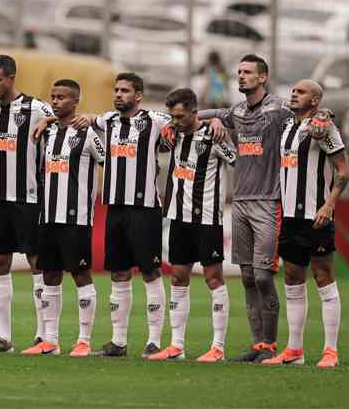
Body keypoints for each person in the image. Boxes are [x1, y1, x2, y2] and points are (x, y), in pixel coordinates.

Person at [199, 54, 330, 362]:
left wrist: (325, 115)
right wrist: (215, 119)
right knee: (245, 276)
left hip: (269, 202)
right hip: (240, 201)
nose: (241, 77)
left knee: (262, 276)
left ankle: (271, 343)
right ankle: (258, 344)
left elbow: (315, 110)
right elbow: (200, 113)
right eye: (239, 72)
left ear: (263, 77)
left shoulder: (280, 108)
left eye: (247, 72)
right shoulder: (237, 110)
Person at [261, 80, 349, 368]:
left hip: (316, 215)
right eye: (294, 91)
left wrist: (329, 204)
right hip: (289, 217)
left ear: (314, 101)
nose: (294, 94)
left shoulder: (323, 128)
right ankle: (294, 350)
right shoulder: (289, 126)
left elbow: (344, 171)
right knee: (292, 279)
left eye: (301, 92)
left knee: (323, 277)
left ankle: (330, 351)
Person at [147, 88, 236, 363]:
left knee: (213, 278)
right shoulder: (172, 134)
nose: (176, 121)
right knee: (178, 277)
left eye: (180, 116)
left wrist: (220, 125)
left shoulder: (214, 135)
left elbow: (240, 162)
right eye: (172, 116)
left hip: (207, 218)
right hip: (177, 216)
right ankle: (176, 345)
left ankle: (218, 347)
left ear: (195, 112)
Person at [0, 54, 55, 353]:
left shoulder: (37, 109)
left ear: (11, 78)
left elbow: (59, 133)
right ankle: (3, 338)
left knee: (37, 262)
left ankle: (43, 334)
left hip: (30, 199)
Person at [21, 79, 104, 357]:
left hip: (76, 217)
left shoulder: (88, 134)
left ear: (75, 101)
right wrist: (46, 119)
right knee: (50, 275)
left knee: (80, 273)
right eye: (53, 97)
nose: (55, 102)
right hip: (48, 216)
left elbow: (110, 162)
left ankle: (84, 340)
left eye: (61, 98)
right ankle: (50, 340)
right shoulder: (48, 131)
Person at [91, 73, 170, 358]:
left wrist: (214, 119)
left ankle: (154, 341)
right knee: (119, 273)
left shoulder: (156, 120)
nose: (119, 94)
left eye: (125, 90)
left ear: (138, 95)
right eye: (116, 89)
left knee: (150, 271)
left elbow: (186, 120)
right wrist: (51, 120)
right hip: (114, 208)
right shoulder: (108, 121)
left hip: (144, 208)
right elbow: (85, 119)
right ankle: (119, 342)